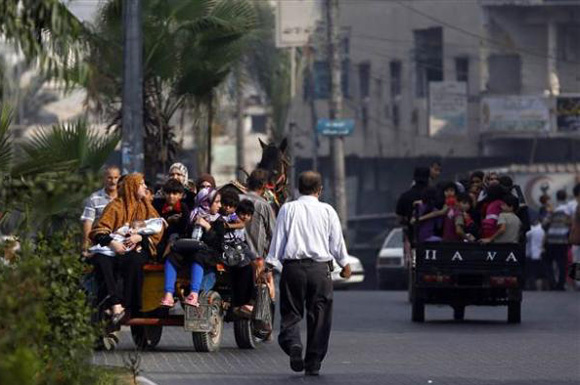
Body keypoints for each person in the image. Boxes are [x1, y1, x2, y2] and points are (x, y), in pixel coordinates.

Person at [266, 171, 351, 376]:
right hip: (320, 271)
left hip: (293, 269)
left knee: (291, 312)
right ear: (320, 190)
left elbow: (278, 241)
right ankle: (313, 362)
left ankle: (293, 343)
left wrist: (269, 265)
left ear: (297, 188)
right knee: (320, 316)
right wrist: (345, 264)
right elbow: (337, 242)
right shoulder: (327, 211)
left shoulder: (288, 209)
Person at [89, 173, 164, 322]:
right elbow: (99, 230)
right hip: (113, 248)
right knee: (101, 260)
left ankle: (130, 306)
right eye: (141, 184)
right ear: (133, 186)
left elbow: (158, 231)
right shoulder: (115, 206)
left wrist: (140, 238)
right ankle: (115, 303)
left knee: (133, 260)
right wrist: (112, 243)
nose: (145, 187)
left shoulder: (147, 207)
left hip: (137, 248)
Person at [161, 187, 224, 308]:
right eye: (216, 202)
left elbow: (218, 243)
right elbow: (184, 233)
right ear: (206, 202)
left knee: (198, 256)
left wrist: (208, 227)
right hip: (189, 250)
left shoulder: (218, 220)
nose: (219, 205)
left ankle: (193, 294)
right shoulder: (192, 215)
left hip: (208, 254)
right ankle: (168, 294)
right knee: (172, 256)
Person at [81, 165, 121, 256]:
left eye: (116, 178)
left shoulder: (124, 197)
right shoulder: (94, 198)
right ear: (104, 179)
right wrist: (86, 246)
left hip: (121, 241)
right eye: (109, 178)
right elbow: (88, 222)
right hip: (100, 242)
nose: (113, 181)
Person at [153, 179, 190, 259]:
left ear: (180, 195)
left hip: (178, 239)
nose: (171, 196)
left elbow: (185, 226)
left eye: (174, 193)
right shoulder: (159, 206)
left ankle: (164, 258)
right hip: (162, 237)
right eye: (168, 193)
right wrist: (168, 219)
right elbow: (155, 223)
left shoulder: (183, 207)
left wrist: (180, 219)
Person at [544, 189, 571, 290]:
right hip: (563, 239)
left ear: (557, 197)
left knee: (548, 261)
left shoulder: (553, 208)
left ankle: (552, 282)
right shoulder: (569, 208)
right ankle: (561, 284)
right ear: (565, 197)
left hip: (551, 239)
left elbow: (545, 222)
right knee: (562, 262)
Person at [526, 217, 545, 290]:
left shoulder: (531, 230)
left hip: (531, 254)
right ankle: (538, 287)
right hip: (538, 253)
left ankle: (532, 285)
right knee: (538, 272)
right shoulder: (542, 230)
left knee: (531, 271)